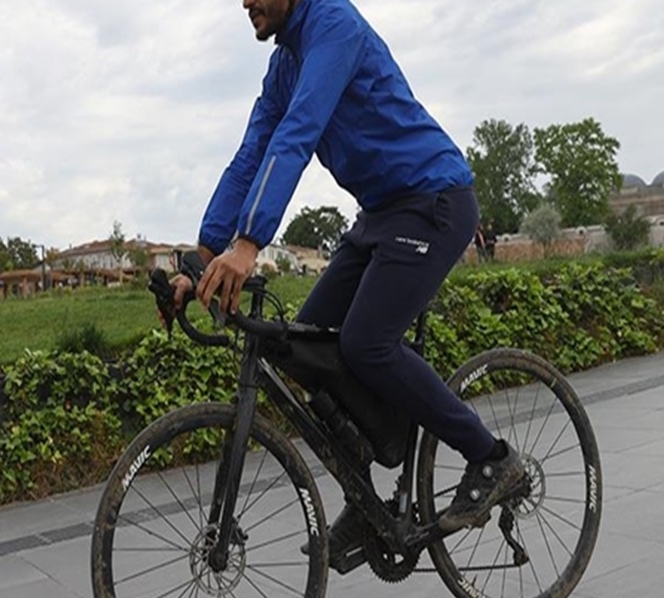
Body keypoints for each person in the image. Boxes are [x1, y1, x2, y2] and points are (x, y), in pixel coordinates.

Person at [170, 0, 525, 538]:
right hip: (381, 214)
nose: (244, 3)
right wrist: (201, 259)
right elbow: (250, 156)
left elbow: (299, 129)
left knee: (366, 343)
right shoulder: (284, 65)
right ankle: (366, 495)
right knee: (300, 347)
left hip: (434, 202)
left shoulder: (334, 26)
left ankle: (491, 456)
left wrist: (248, 243)